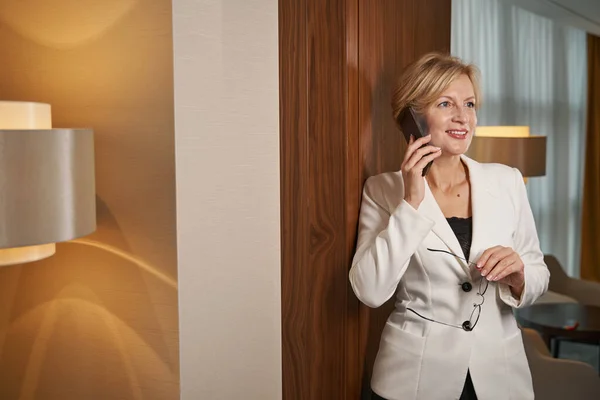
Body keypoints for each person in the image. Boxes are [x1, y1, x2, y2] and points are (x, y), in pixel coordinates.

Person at [349, 53, 550, 400]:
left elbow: (539, 274)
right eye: (446, 103)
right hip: (414, 378)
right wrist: (411, 202)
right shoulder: (382, 190)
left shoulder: (507, 182)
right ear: (413, 118)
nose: (463, 117)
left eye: (469, 104)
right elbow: (369, 290)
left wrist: (519, 275)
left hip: (500, 376)